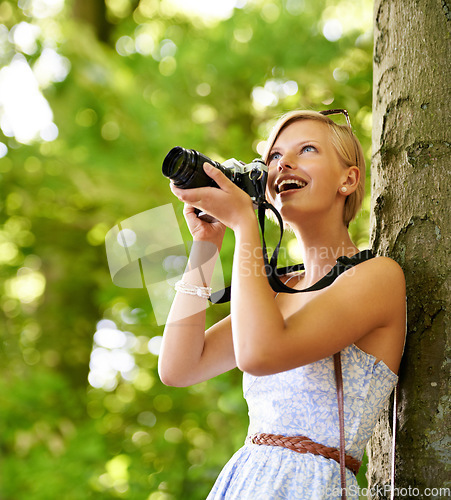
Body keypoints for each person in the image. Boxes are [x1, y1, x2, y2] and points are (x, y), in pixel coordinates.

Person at [158, 109, 406, 499]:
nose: (284, 162)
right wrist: (205, 246)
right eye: (274, 157)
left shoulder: (377, 277)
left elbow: (260, 354)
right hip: (245, 480)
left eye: (307, 149)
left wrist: (244, 226)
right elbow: (178, 367)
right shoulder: (277, 292)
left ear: (349, 179)